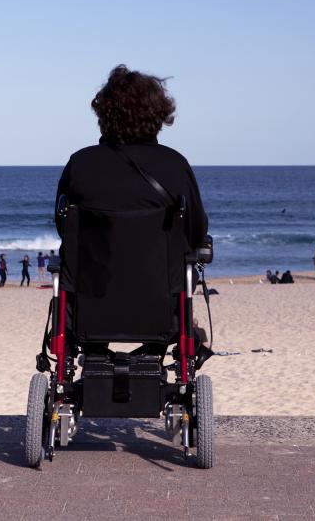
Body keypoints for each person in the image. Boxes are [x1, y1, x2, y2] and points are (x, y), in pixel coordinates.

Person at [54, 64, 208, 355]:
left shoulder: (81, 164)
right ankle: (154, 351)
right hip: (161, 308)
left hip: (90, 308)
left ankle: (95, 354)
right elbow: (197, 231)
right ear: (158, 114)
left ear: (104, 113)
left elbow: (65, 228)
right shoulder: (174, 165)